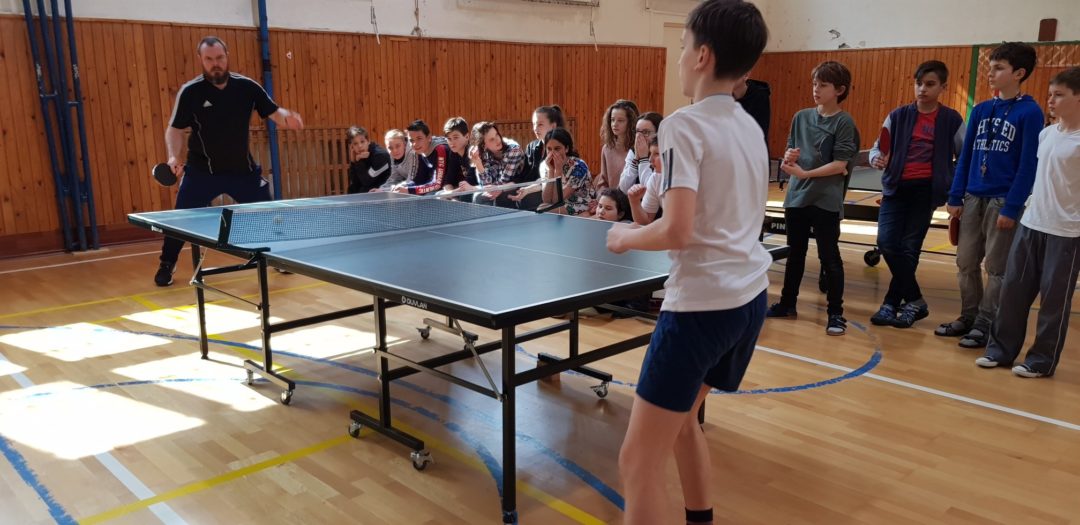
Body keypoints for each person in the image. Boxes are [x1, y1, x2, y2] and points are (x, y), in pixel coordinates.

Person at [604, 1, 770, 523]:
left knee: (636, 461)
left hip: (701, 309)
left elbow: (678, 228)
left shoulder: (682, 126)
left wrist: (626, 237)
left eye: (682, 48)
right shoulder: (749, 126)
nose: (678, 58)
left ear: (702, 56)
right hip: (749, 299)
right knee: (682, 424)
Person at [155, 36, 303, 287]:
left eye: (219, 58)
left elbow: (273, 111)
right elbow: (174, 129)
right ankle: (167, 263)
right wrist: (173, 156)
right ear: (201, 60)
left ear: (227, 56)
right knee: (180, 219)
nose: (216, 64)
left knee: (267, 212)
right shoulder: (190, 92)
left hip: (241, 171)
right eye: (209, 59)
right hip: (202, 172)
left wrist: (287, 117)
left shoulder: (247, 87)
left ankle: (277, 255)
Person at [975, 67, 1080, 378]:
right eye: (1050, 94)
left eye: (1059, 95)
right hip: (1032, 223)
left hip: (1066, 232)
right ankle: (1000, 350)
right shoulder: (1046, 134)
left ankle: (1041, 361)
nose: (1051, 100)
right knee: (1013, 291)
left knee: (1053, 301)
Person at [938, 42, 1044, 348]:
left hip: (1002, 200)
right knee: (965, 262)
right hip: (973, 197)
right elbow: (966, 156)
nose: (991, 73)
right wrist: (956, 196)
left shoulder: (1030, 112)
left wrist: (1012, 207)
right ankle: (968, 316)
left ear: (1019, 73)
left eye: (999, 68)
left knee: (996, 268)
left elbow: (1028, 165)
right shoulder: (982, 110)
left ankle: (986, 323)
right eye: (990, 67)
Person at [867, 60, 965, 328]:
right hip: (896, 189)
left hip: (926, 191)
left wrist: (954, 189)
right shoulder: (898, 115)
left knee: (910, 248)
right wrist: (876, 158)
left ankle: (890, 304)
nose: (922, 89)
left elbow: (963, 156)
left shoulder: (952, 120)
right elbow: (877, 147)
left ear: (943, 87)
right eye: (919, 83)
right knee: (886, 243)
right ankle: (915, 300)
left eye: (930, 84)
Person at [766, 60, 859, 336]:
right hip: (797, 197)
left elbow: (840, 164)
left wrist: (806, 174)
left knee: (829, 257)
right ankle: (787, 304)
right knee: (795, 254)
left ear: (839, 90)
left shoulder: (844, 122)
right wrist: (790, 157)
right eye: (814, 84)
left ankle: (835, 313)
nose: (816, 89)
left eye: (823, 85)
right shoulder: (801, 117)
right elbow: (790, 152)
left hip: (825, 199)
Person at [510, 105, 564, 211]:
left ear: (553, 126)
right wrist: (506, 187)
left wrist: (528, 190)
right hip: (532, 187)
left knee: (525, 200)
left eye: (540, 124)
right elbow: (524, 176)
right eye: (534, 124)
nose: (535, 128)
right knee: (505, 197)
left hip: (552, 190)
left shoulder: (561, 149)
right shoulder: (531, 147)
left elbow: (549, 179)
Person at [467, 121, 525, 206]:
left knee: (494, 197)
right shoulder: (484, 154)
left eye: (497, 134)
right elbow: (487, 184)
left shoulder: (513, 149)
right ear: (484, 145)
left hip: (517, 185)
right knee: (479, 196)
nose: (498, 140)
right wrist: (478, 162)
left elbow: (504, 181)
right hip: (499, 186)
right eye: (492, 139)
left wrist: (475, 188)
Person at [540, 128, 594, 216]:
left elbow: (556, 200)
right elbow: (546, 200)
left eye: (557, 149)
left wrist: (558, 171)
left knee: (545, 210)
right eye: (549, 149)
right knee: (542, 208)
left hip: (581, 204)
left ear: (566, 149)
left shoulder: (579, 166)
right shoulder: (546, 165)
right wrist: (551, 171)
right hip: (562, 203)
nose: (552, 153)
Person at [393, 120, 452, 195]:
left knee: (429, 196)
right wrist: (405, 186)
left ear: (429, 137)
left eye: (419, 138)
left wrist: (409, 190)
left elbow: (437, 185)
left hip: (457, 187)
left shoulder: (440, 149)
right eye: (411, 140)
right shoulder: (419, 150)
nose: (415, 144)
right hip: (441, 187)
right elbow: (420, 179)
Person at [596, 99, 639, 191]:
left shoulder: (638, 148)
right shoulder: (607, 148)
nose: (614, 124)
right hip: (610, 197)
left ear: (631, 122)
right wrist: (602, 196)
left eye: (620, 120)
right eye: (612, 120)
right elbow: (603, 182)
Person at [618, 112, 664, 193]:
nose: (640, 137)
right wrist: (636, 158)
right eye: (637, 132)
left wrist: (643, 158)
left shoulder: (662, 153)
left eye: (645, 132)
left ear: (658, 133)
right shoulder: (633, 151)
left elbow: (649, 190)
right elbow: (624, 188)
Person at [345, 126, 392, 194]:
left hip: (383, 194)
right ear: (352, 147)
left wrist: (358, 162)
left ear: (368, 141)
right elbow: (355, 183)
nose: (360, 146)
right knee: (352, 189)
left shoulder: (381, 156)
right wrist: (353, 162)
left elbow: (367, 181)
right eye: (355, 144)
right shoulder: (361, 156)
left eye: (362, 142)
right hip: (368, 193)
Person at [627, 139, 663, 226]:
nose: (650, 159)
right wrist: (634, 202)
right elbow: (644, 223)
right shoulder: (656, 178)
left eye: (657, 154)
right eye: (650, 153)